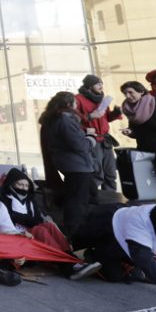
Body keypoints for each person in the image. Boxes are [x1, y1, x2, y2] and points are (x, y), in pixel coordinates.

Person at [72, 203, 156, 300]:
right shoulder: (140, 221)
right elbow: (141, 255)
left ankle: (133, 271)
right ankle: (91, 254)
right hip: (110, 232)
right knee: (113, 275)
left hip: (134, 246)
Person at [40, 91, 95, 234]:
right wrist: (91, 138)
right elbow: (79, 145)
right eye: (76, 103)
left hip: (68, 163)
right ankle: (73, 229)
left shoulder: (53, 119)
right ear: (69, 104)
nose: (78, 105)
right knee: (77, 199)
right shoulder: (66, 120)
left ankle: (79, 223)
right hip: (76, 164)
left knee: (85, 193)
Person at [75, 75, 121, 191]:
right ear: (90, 86)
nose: (101, 86)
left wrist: (116, 113)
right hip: (91, 140)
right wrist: (90, 116)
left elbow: (106, 118)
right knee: (96, 172)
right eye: (98, 84)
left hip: (105, 140)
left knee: (110, 172)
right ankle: (93, 198)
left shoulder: (102, 99)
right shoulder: (78, 99)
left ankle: (111, 198)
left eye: (102, 83)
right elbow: (73, 118)